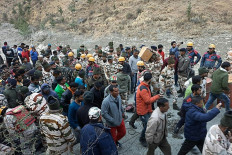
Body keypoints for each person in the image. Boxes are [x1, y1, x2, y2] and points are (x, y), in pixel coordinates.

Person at [136, 72, 160, 147]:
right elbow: (147, 101)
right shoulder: (143, 88)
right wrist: (157, 96)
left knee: (147, 124)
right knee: (147, 125)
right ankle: (142, 139)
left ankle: (147, 135)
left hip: (146, 109)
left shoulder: (145, 86)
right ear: (149, 80)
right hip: (143, 111)